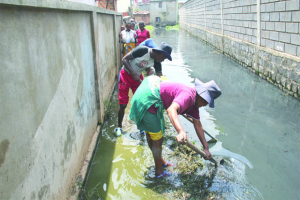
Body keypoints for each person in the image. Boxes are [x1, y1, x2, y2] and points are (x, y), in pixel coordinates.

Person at [129, 77, 222, 178]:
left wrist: (206, 148)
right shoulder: (188, 96)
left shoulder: (194, 104)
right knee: (157, 139)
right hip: (148, 98)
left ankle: (161, 162)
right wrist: (180, 131)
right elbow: (171, 110)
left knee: (152, 134)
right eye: (206, 102)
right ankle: (159, 172)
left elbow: (198, 125)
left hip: (150, 90)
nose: (205, 105)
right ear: (202, 97)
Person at [114, 42, 173, 136]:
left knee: (142, 103)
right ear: (159, 53)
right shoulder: (142, 50)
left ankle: (141, 127)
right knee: (123, 104)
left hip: (137, 79)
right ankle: (119, 126)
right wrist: (133, 73)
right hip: (125, 76)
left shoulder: (156, 62)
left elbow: (160, 78)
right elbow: (124, 59)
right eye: (164, 58)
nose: (163, 61)